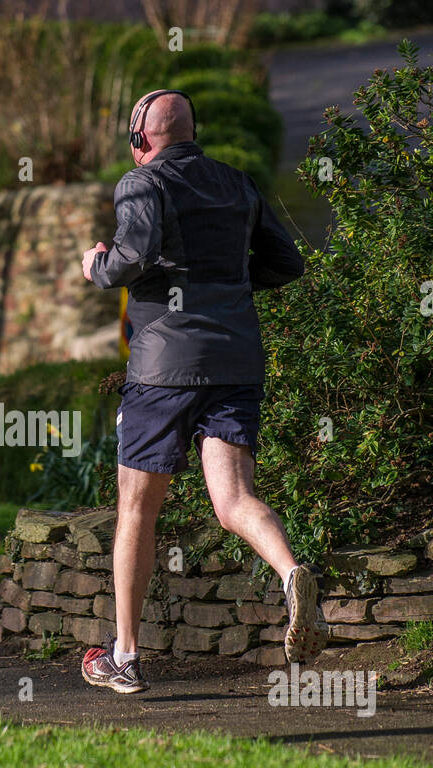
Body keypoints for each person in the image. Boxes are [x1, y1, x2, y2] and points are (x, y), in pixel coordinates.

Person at [78, 88, 323, 694]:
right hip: (236, 361)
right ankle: (291, 572)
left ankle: (126, 657)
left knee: (137, 509)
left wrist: (97, 266)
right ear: (192, 132)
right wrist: (226, 287)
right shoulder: (237, 183)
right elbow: (286, 262)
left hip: (163, 369)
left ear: (140, 139)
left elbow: (133, 256)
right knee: (234, 499)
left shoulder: (142, 183)